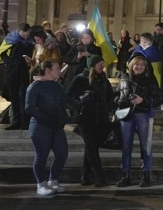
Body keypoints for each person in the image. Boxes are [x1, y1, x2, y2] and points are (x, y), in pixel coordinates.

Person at [115, 54, 163, 187]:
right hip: (126, 115)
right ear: (131, 65)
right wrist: (120, 102)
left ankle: (146, 174)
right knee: (125, 146)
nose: (139, 67)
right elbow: (116, 95)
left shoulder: (150, 80)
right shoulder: (124, 78)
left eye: (142, 64)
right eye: (137, 64)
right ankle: (125, 175)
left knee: (145, 146)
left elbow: (159, 98)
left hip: (143, 114)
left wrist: (143, 100)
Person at [69, 55, 114, 187]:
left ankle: (85, 175)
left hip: (101, 119)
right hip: (85, 119)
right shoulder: (80, 79)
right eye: (100, 63)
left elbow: (109, 96)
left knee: (91, 146)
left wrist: (111, 107)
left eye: (102, 63)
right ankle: (100, 177)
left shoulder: (104, 79)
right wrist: (80, 105)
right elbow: (68, 96)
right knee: (92, 147)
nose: (102, 66)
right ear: (92, 65)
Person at [25, 60, 69, 197]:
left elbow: (62, 105)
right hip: (40, 126)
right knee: (41, 155)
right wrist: (45, 118)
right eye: (57, 68)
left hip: (56, 125)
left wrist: (63, 118)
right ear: (48, 70)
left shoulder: (57, 86)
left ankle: (53, 179)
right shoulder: (35, 86)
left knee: (62, 154)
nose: (59, 71)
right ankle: (41, 184)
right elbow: (29, 107)